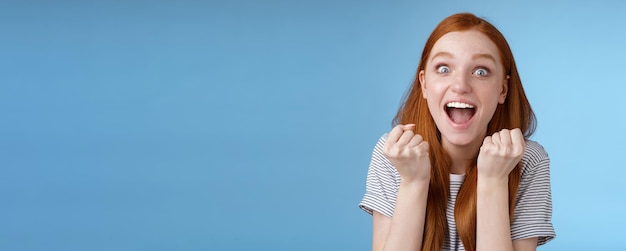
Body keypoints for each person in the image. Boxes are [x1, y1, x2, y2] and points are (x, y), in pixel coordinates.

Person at [358, 13, 556, 251]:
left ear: (503, 90)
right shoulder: (393, 153)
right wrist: (413, 182)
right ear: (424, 84)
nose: (461, 85)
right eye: (443, 68)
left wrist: (493, 180)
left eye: (481, 71)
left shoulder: (527, 160)